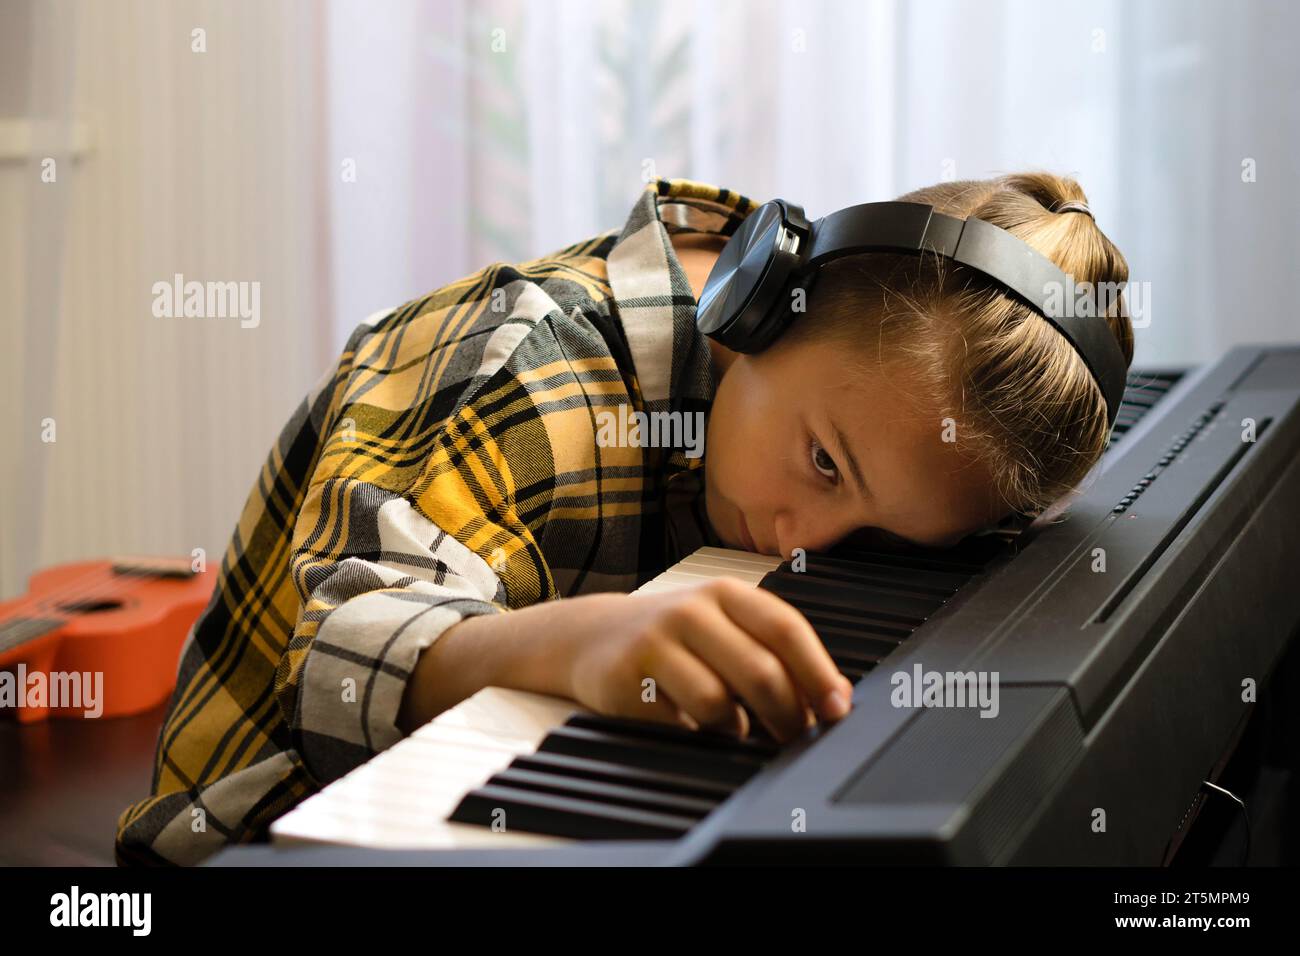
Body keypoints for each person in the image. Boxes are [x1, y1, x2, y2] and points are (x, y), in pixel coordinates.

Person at [115, 174, 1133, 865]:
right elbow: (338, 663)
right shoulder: (526, 372)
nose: (801, 543)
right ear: (765, 302)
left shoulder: (793, 383)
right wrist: (582, 643)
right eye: (824, 461)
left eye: (878, 535)